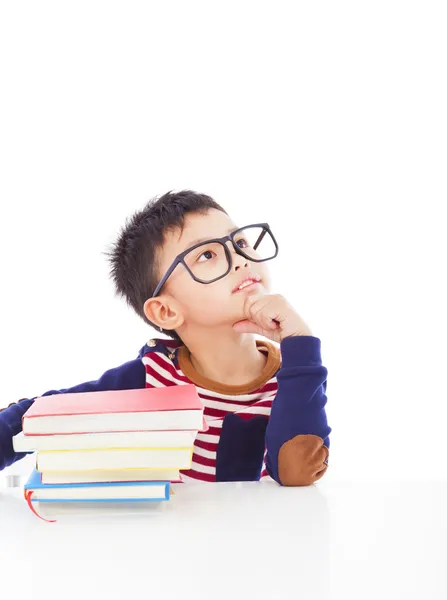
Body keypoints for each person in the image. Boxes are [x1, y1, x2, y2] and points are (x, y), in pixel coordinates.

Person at [0, 190, 331, 485]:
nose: (240, 260)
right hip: (164, 545)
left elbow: (296, 471)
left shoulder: (294, 376)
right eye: (206, 255)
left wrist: (298, 339)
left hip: (254, 544)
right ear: (166, 312)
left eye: (240, 243)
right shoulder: (154, 375)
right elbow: (44, 413)